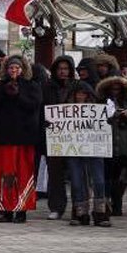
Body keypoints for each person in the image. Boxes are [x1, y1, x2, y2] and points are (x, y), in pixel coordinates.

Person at [0, 55, 42, 223]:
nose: (14, 71)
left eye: (17, 68)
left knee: (23, 172)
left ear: (23, 69)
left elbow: (34, 105)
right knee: (4, 173)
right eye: (11, 68)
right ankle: (5, 209)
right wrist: (5, 93)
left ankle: (22, 208)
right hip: (3, 138)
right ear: (6, 69)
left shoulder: (32, 86)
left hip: (24, 138)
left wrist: (18, 95)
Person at [40, 55, 79, 220]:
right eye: (60, 69)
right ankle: (56, 206)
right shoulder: (47, 87)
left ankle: (79, 207)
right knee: (55, 174)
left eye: (66, 69)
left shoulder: (78, 87)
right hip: (54, 137)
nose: (63, 72)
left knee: (76, 173)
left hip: (74, 137)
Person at [65, 82, 108, 227]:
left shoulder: (97, 109)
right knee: (77, 181)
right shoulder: (66, 110)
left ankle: (100, 212)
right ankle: (80, 212)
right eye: (78, 93)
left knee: (99, 180)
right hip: (73, 148)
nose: (81, 96)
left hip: (95, 147)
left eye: (84, 93)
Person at [96, 74, 127, 219]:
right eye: (113, 88)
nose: (115, 91)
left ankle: (117, 203)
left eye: (118, 88)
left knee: (120, 178)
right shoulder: (101, 102)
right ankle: (105, 203)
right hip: (107, 142)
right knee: (107, 176)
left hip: (125, 143)